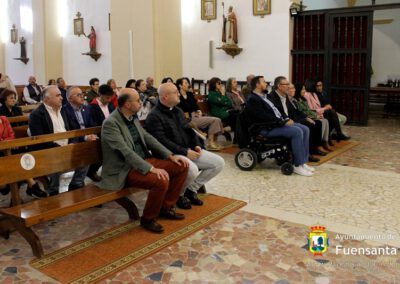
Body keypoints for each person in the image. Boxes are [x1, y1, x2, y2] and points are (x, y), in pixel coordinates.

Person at [98, 88, 189, 233]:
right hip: (124, 169)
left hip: (143, 160)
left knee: (182, 165)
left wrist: (169, 155)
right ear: (128, 104)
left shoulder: (132, 117)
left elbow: (147, 137)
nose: (141, 103)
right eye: (138, 100)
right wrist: (151, 169)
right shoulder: (111, 123)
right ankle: (148, 219)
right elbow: (125, 152)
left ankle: (165, 207)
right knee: (160, 180)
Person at [146, 83, 225, 210]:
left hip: (187, 150)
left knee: (218, 163)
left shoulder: (178, 110)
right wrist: (185, 152)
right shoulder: (154, 116)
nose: (178, 94)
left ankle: (191, 190)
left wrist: (197, 146)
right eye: (175, 92)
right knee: (191, 169)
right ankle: (179, 195)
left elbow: (189, 130)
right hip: (170, 154)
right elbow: (162, 141)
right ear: (165, 97)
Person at [246, 76, 314, 177]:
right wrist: (282, 122)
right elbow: (263, 117)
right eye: (264, 82)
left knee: (305, 128)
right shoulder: (253, 99)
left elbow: (278, 111)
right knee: (297, 131)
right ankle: (297, 164)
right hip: (265, 128)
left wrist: (286, 119)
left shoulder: (265, 96)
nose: (266, 84)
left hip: (276, 123)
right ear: (257, 85)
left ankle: (303, 162)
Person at [29, 86, 89, 195]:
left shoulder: (63, 111)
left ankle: (76, 184)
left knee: (86, 153)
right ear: (47, 99)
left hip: (67, 148)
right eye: (58, 95)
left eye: (61, 95)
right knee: (56, 157)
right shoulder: (37, 115)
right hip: (48, 151)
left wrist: (72, 143)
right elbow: (40, 140)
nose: (61, 98)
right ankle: (53, 191)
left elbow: (72, 131)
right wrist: (59, 148)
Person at [268, 76, 325, 161]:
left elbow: (294, 110)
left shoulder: (284, 96)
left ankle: (305, 158)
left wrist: (306, 117)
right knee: (300, 130)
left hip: (288, 120)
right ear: (279, 86)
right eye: (286, 84)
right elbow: (277, 113)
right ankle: (298, 161)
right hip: (281, 123)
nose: (288, 86)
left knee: (307, 128)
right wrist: (287, 120)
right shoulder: (272, 97)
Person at [176, 77, 223, 151]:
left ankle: (213, 142)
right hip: (188, 119)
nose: (188, 85)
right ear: (180, 85)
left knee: (217, 120)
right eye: (186, 83)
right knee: (215, 120)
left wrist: (198, 111)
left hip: (196, 116)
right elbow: (182, 109)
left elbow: (195, 105)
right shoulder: (177, 96)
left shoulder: (189, 94)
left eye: (188, 83)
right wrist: (192, 112)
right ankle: (210, 143)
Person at [303, 78, 350, 143]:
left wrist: (326, 108)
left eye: (319, 85)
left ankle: (332, 135)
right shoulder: (307, 95)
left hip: (320, 112)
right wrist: (325, 108)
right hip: (315, 113)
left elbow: (319, 106)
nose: (317, 87)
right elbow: (312, 109)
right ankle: (336, 134)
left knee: (331, 112)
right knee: (330, 112)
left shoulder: (314, 94)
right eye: (316, 85)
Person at [293, 83, 332, 152]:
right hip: (304, 117)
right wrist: (315, 116)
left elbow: (308, 110)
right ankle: (317, 145)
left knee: (325, 120)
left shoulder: (303, 99)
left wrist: (316, 115)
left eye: (304, 89)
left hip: (309, 115)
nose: (304, 91)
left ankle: (325, 141)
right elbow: (303, 112)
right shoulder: (296, 100)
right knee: (319, 122)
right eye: (303, 89)